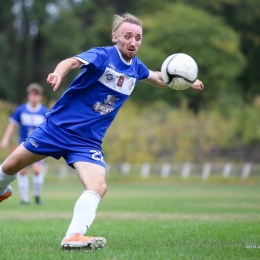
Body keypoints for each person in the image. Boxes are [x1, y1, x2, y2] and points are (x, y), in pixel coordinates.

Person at [0, 13, 204, 252]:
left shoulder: (136, 68)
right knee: (9, 167)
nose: (133, 42)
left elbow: (158, 77)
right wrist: (58, 72)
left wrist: (184, 80)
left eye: (138, 37)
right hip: (56, 129)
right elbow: (72, 62)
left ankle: (73, 236)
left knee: (98, 186)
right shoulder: (102, 55)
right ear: (115, 36)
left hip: (87, 142)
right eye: (128, 36)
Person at [0, 83, 49, 205]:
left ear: (40, 97)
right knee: (22, 171)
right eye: (32, 95)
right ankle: (25, 199)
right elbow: (12, 125)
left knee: (37, 170)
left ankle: (37, 196)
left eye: (37, 95)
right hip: (23, 145)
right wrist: (5, 139)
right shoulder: (21, 109)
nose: (34, 97)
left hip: (39, 146)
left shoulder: (44, 111)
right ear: (29, 96)